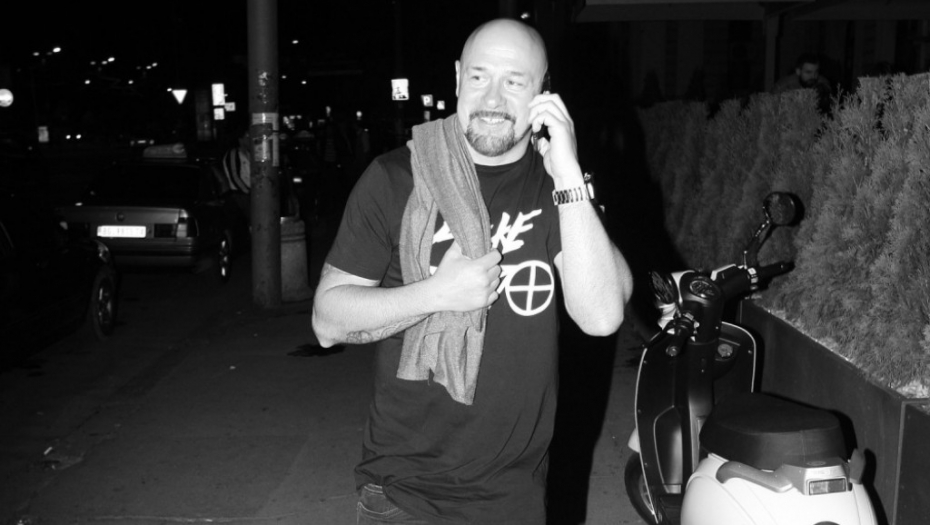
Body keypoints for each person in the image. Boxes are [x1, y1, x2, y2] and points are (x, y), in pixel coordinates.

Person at [311, 18, 633, 524]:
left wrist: (569, 174)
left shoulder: (558, 189)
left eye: (515, 82)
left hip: (516, 494)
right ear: (459, 77)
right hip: (404, 494)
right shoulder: (395, 177)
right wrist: (436, 293)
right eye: (480, 77)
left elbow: (602, 315)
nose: (492, 99)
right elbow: (328, 322)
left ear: (543, 93)